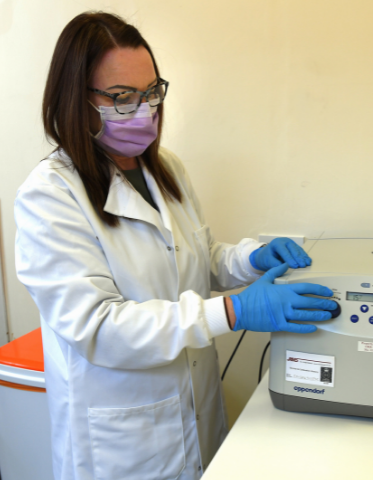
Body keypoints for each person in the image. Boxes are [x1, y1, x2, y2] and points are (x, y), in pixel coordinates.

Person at [14, 12, 337, 480]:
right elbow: (99, 329)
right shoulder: (50, 196)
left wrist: (251, 257)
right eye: (123, 97)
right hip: (122, 448)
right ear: (75, 100)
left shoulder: (164, 169)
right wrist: (231, 312)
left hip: (196, 416)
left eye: (151, 93)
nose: (144, 110)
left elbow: (198, 258)